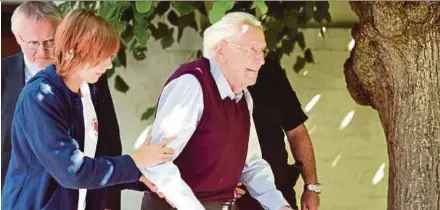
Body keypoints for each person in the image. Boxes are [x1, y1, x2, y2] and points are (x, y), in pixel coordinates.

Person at [1, 8, 174, 210]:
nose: (109, 65)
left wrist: (138, 176)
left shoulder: (89, 88)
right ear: (76, 50)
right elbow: (72, 171)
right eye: (103, 56)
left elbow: (94, 158)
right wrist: (135, 160)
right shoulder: (39, 96)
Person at [139, 12, 294, 210]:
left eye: (262, 51)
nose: (260, 60)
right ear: (221, 50)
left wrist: (280, 206)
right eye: (252, 50)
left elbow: (252, 164)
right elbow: (157, 163)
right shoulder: (192, 83)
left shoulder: (242, 97)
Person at [1, 2, 123, 209]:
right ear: (18, 38)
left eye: (49, 41)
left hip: (77, 193)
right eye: (33, 43)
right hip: (21, 195)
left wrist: (112, 197)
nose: (42, 51)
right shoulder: (8, 76)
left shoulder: (90, 78)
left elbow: (107, 139)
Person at [236, 57, 321, 210]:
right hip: (231, 195)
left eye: (262, 49)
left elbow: (296, 131)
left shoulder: (269, 70)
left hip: (277, 188)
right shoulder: (206, 77)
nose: (259, 54)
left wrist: (311, 187)